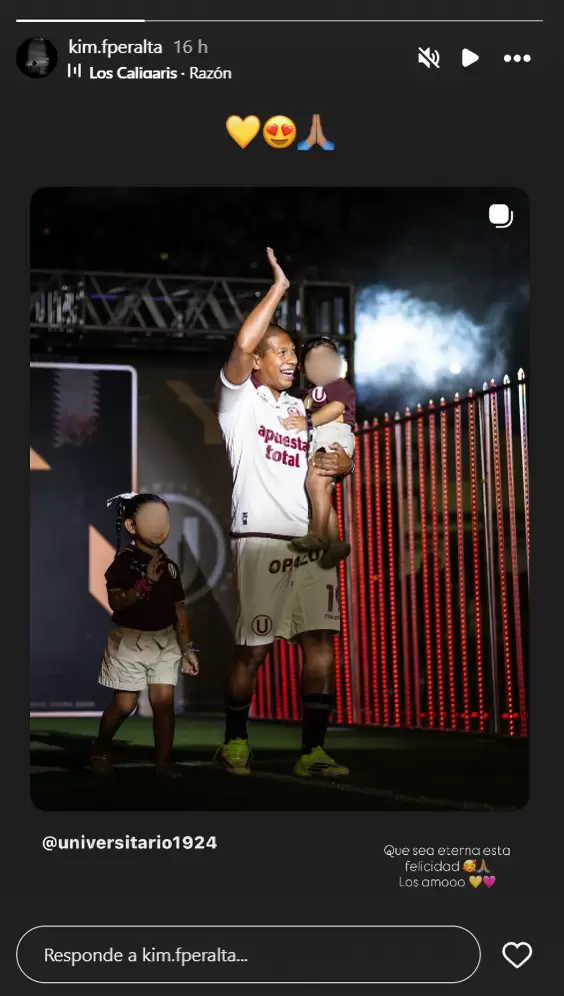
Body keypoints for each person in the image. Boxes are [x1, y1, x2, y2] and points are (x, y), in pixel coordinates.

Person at [216, 247, 353, 778]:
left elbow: (333, 458)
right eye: (280, 352)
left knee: (319, 647)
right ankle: (235, 740)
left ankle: (312, 751)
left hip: (310, 542)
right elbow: (241, 343)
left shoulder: (303, 408)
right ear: (257, 361)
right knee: (253, 651)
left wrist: (342, 462)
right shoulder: (240, 403)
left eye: (295, 352)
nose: (292, 360)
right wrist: (279, 288)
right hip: (262, 541)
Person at [90, 493, 199, 779]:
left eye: (163, 519)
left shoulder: (171, 567)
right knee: (124, 705)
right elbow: (116, 602)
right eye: (151, 519)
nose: (159, 525)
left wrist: (187, 648)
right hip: (130, 641)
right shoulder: (123, 562)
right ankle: (100, 747)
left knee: (163, 705)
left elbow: (179, 608)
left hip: (165, 641)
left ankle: (163, 765)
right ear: (131, 525)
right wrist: (145, 583)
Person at [282, 336, 356, 567]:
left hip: (332, 436)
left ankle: (317, 534)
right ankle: (334, 543)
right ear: (304, 369)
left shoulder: (337, 385)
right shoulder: (308, 393)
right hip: (320, 438)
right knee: (321, 492)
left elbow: (336, 408)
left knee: (314, 483)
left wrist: (308, 422)